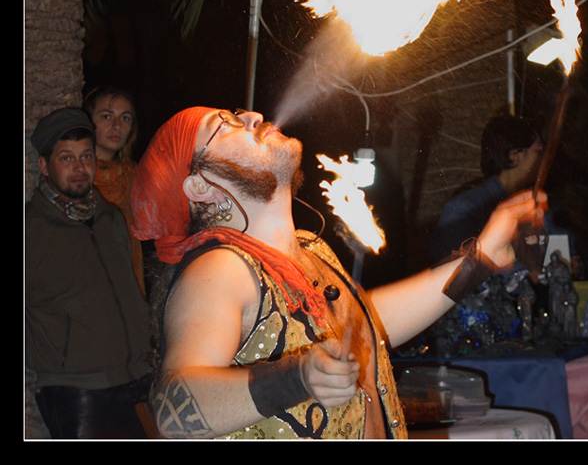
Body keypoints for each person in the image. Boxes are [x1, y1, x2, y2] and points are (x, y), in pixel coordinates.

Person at [131, 106, 544, 439]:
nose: (253, 117)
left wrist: (481, 257)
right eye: (225, 126)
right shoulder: (221, 267)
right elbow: (173, 409)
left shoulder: (311, 248)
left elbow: (364, 324)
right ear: (200, 187)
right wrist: (299, 375)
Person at [26, 108, 152, 439]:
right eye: (66, 158)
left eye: (86, 156)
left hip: (139, 379)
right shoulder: (31, 230)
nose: (80, 168)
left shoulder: (111, 218)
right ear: (44, 166)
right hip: (76, 392)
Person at [430, 115, 542, 262]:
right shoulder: (463, 209)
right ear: (515, 156)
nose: (544, 157)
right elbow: (455, 275)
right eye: (539, 150)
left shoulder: (527, 201)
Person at [84, 86, 145, 293]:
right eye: (106, 116)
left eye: (125, 118)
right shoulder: (77, 175)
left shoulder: (135, 174)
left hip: (127, 281)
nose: (117, 125)